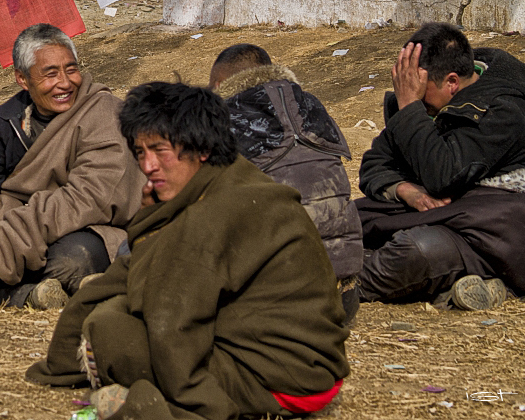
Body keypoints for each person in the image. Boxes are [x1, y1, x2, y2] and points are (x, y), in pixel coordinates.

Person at [27, 82, 349, 420]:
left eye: (160, 150)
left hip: (280, 381)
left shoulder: (210, 214)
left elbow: (173, 320)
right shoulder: (233, 178)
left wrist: (192, 406)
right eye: (140, 152)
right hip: (308, 368)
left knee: (110, 328)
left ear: (202, 148)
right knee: (119, 305)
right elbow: (132, 274)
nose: (148, 165)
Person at [0, 24, 144, 309]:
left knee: (74, 260)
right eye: (50, 74)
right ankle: (27, 295)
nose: (65, 83)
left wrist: (2, 243)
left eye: (71, 69)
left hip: (83, 226)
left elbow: (88, 198)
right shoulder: (7, 122)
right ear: (23, 79)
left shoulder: (104, 113)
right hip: (20, 225)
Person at [356, 23, 525, 309]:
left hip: (488, 231)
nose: (416, 103)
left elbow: (444, 177)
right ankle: (468, 283)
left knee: (413, 251)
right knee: (334, 224)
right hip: (436, 215)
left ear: (451, 82)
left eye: (421, 95)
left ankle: (340, 281)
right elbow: (375, 162)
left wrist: (410, 106)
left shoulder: (504, 108)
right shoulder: (425, 99)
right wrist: (404, 189)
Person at [209, 44, 364, 320]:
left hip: (276, 300)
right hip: (343, 297)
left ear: (220, 84)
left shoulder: (227, 116)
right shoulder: (311, 104)